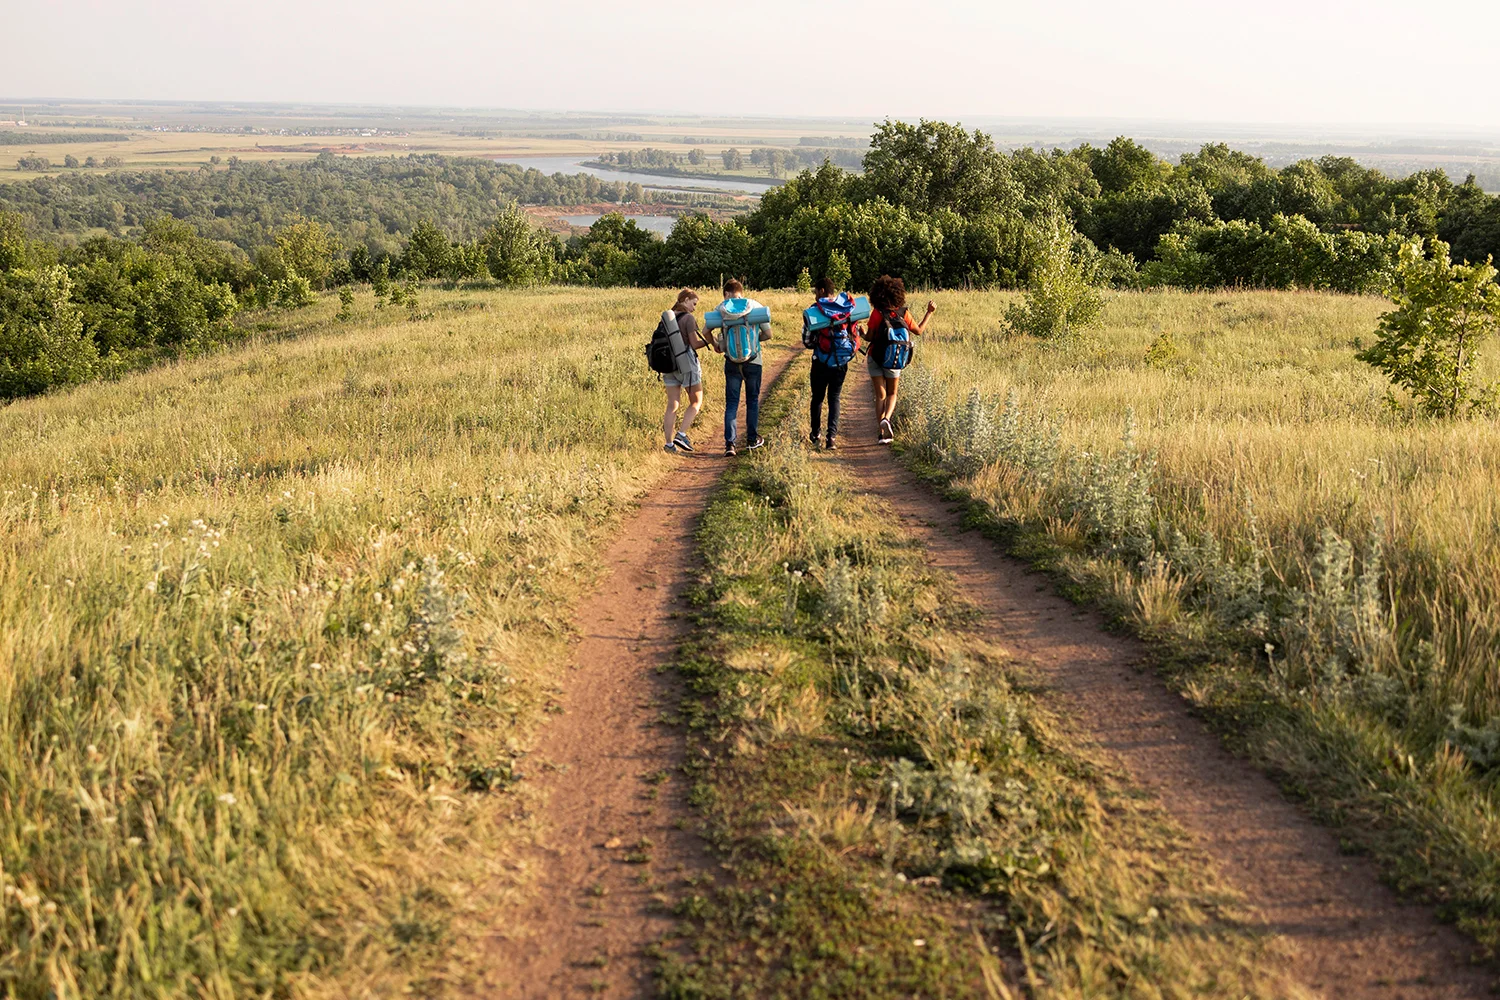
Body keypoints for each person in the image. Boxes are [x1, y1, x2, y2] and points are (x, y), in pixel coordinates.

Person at [865, 275, 935, 445]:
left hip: (875, 357)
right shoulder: (903, 312)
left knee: (880, 395)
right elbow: (918, 331)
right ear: (898, 294)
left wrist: (860, 333)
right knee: (892, 393)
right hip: (895, 359)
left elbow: (869, 337)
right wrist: (929, 313)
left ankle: (881, 434)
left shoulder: (877, 313)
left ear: (877, 295)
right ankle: (887, 419)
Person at [714, 278, 771, 457]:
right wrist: (754, 340)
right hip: (753, 360)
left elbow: (706, 329)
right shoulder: (754, 305)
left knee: (732, 403)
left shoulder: (721, 309)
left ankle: (730, 444)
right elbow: (768, 334)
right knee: (752, 401)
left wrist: (717, 344)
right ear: (741, 291)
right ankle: (751, 440)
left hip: (731, 362)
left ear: (726, 294)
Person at [802, 275, 860, 449]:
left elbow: (807, 341)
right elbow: (853, 331)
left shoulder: (814, 310)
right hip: (841, 361)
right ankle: (831, 438)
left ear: (821, 291)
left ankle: (815, 434)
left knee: (817, 398)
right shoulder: (846, 307)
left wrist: (820, 343)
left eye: (815, 292)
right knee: (834, 397)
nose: (814, 295)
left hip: (821, 361)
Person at [662, 288, 708, 453]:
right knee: (696, 401)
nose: (694, 308)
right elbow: (694, 344)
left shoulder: (668, 318)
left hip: (668, 365)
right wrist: (708, 340)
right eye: (693, 303)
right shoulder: (688, 318)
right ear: (686, 299)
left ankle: (668, 444)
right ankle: (681, 434)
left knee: (672, 404)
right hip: (686, 364)